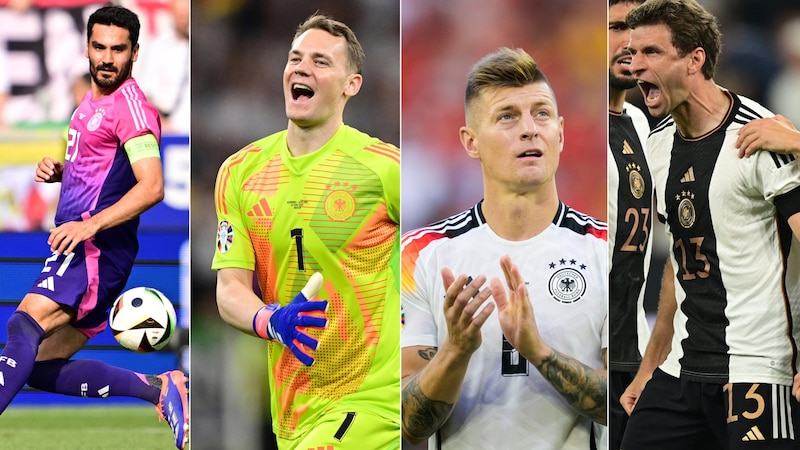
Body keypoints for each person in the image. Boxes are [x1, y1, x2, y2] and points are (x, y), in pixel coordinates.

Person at [0, 5, 189, 450]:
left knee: (23, 328)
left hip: (95, 250)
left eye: (118, 50)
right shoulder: (93, 97)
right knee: (39, 365)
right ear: (87, 47)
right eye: (100, 47)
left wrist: (90, 227)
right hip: (84, 246)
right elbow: (108, 167)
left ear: (135, 52)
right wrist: (65, 171)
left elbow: (153, 185)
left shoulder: (132, 109)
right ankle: (161, 390)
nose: (107, 58)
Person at [400, 47, 607, 449]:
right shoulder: (420, 256)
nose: (530, 129)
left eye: (542, 113)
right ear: (471, 142)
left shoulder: (606, 250)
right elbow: (410, 424)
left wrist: (540, 352)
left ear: (561, 133)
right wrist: (456, 350)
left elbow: (627, 401)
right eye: (507, 116)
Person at [212, 13, 401, 450]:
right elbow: (230, 289)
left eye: (320, 61)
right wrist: (271, 319)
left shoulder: (383, 169)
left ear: (351, 84)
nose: (301, 68)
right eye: (295, 58)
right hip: (293, 406)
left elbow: (435, 250)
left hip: (370, 398)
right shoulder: (240, 173)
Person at [620, 0, 800, 448]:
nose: (633, 64)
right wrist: (650, 365)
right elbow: (680, 262)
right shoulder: (658, 145)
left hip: (757, 370)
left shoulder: (761, 136)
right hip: (679, 371)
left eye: (651, 53)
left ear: (695, 59)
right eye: (631, 52)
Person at [606, 1, 653, 449]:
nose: (629, 42)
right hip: (581, 349)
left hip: (633, 348)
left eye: (635, 29)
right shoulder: (563, 129)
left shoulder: (640, 121)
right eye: (616, 27)